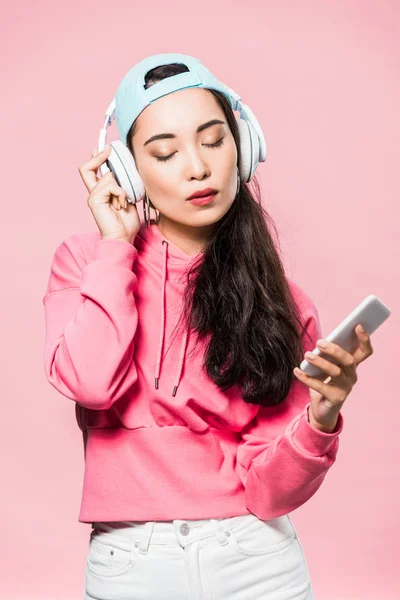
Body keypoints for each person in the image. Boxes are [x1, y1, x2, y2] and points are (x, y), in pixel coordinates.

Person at [42, 53, 371, 599]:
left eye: (214, 142)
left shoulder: (282, 302)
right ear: (128, 170)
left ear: (243, 150)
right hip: (131, 565)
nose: (197, 167)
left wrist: (322, 414)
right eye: (165, 153)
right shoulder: (88, 262)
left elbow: (269, 493)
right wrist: (117, 247)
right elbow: (91, 383)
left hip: (258, 562)